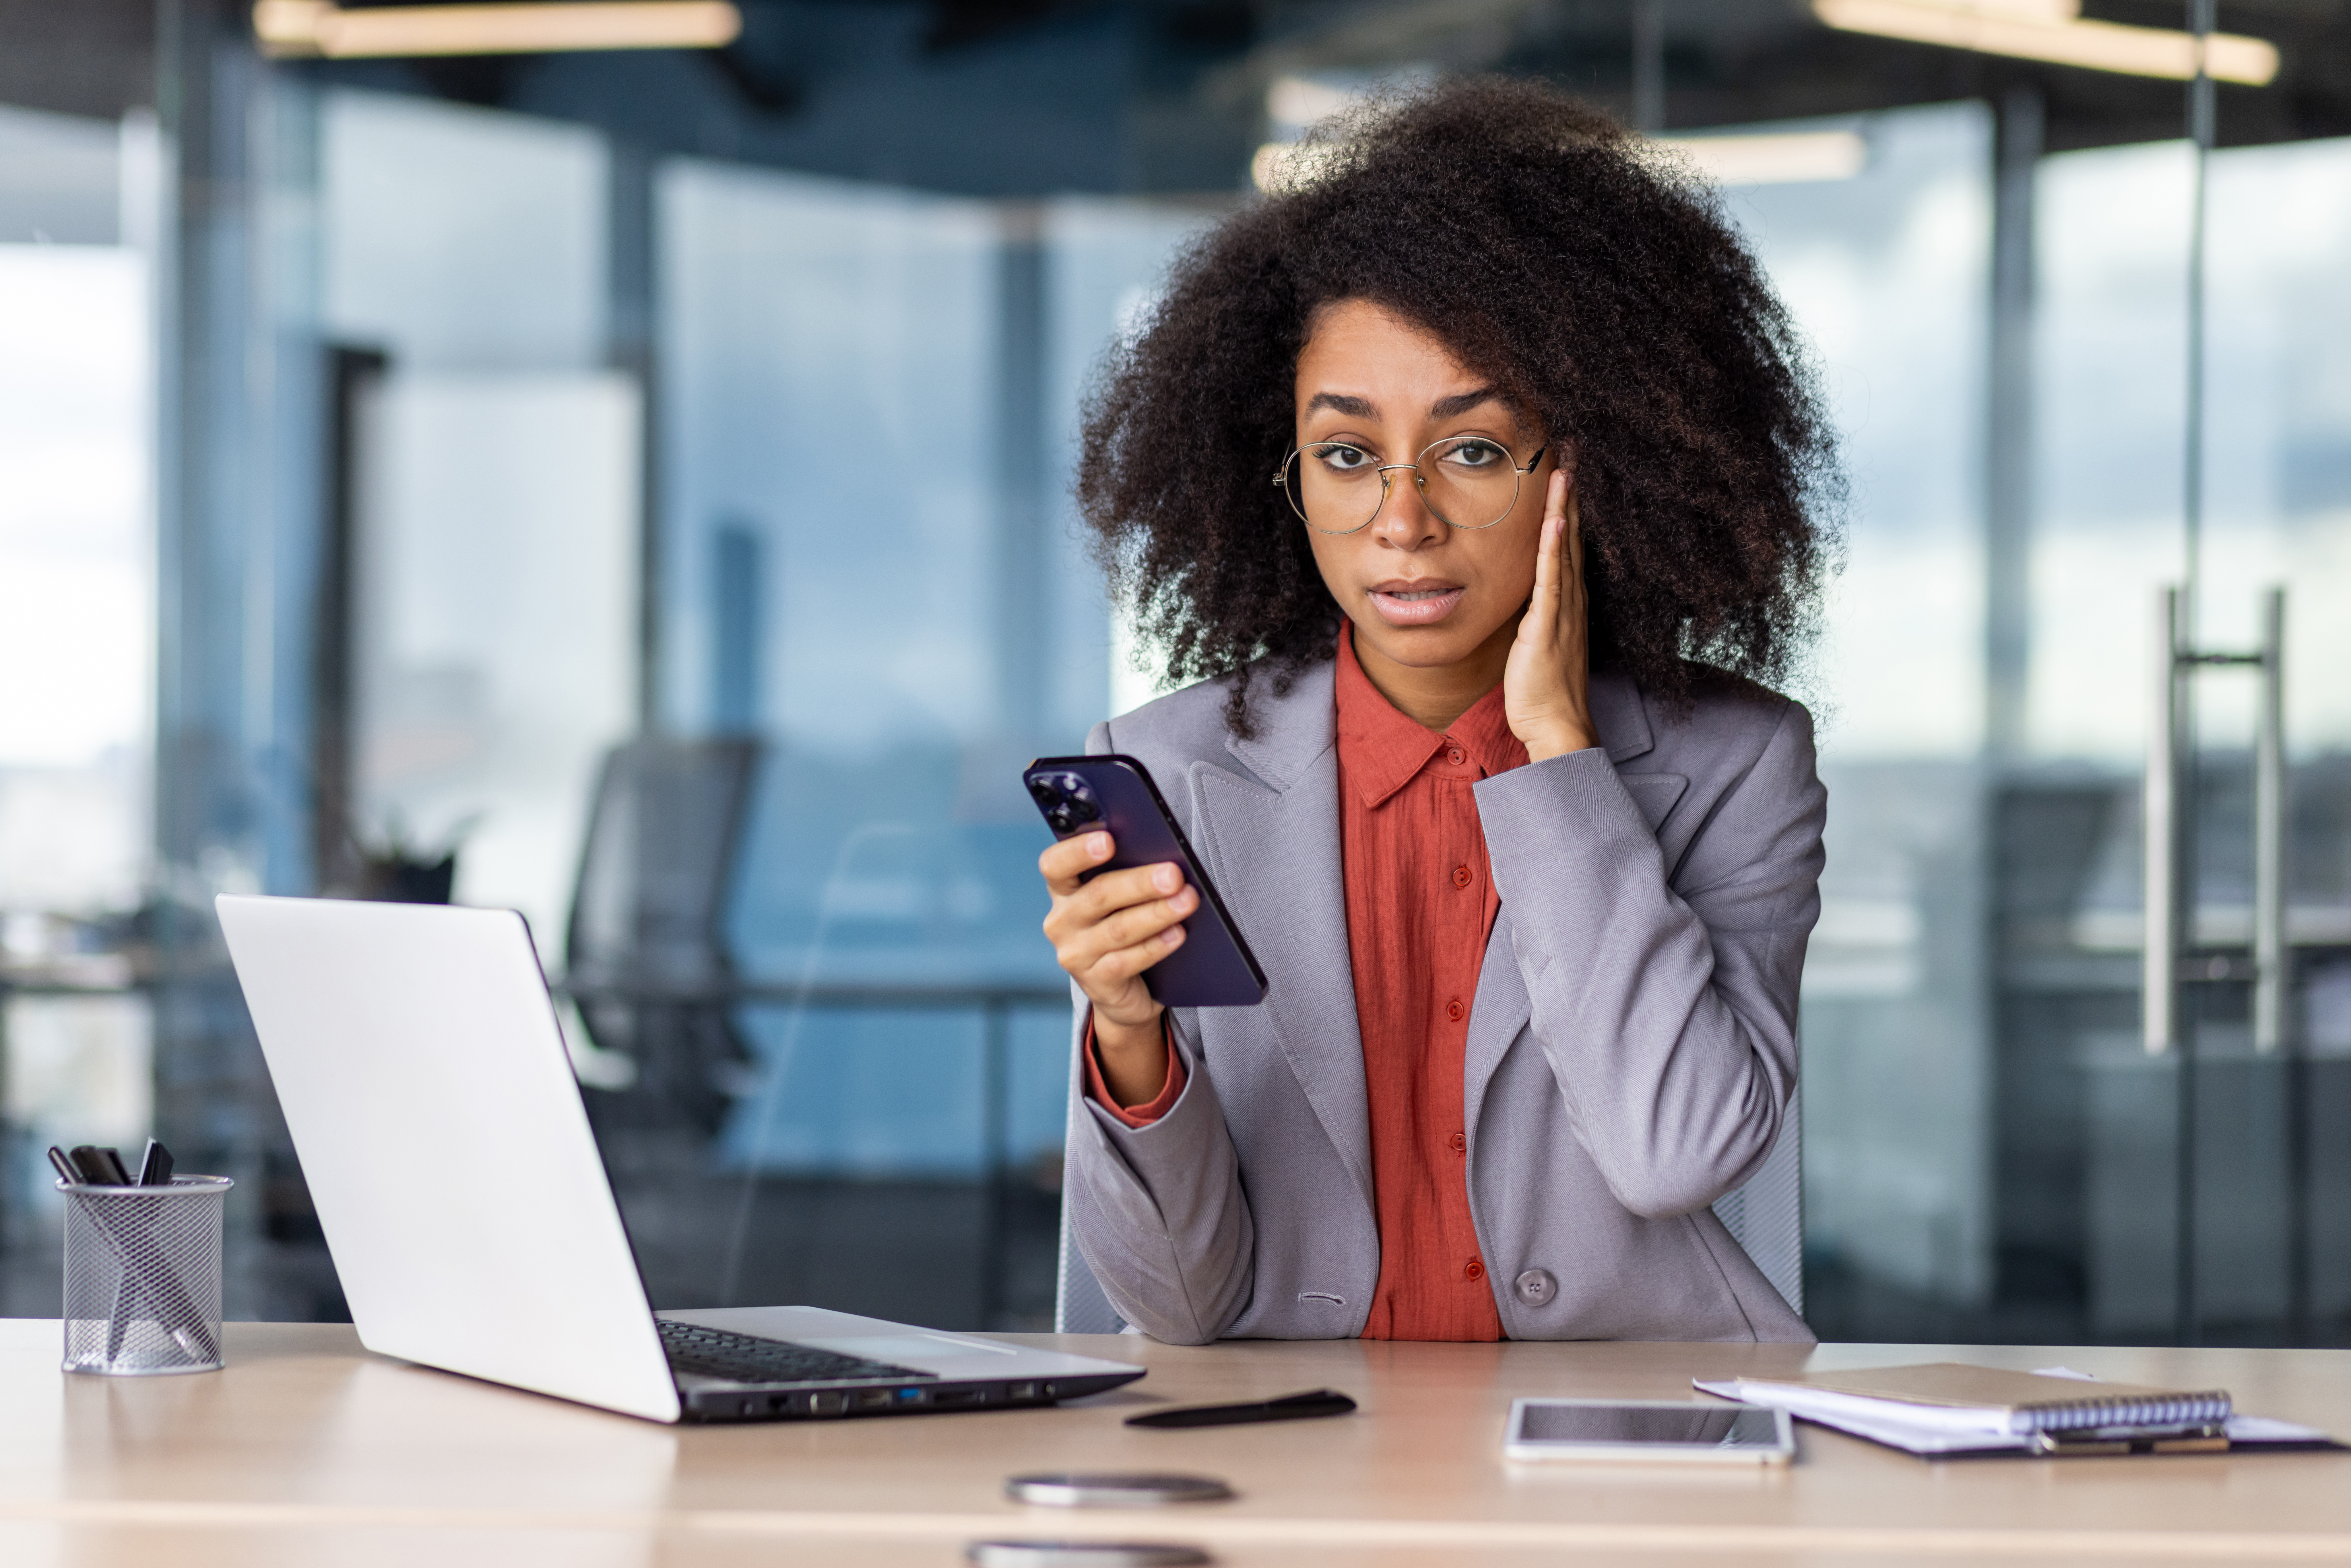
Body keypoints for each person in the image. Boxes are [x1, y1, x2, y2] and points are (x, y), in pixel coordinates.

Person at [1039, 78, 1836, 1344]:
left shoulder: (1736, 764)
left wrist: (1558, 756)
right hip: (1289, 1458)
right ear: (1282, 474)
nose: (1400, 522)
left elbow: (1674, 1152)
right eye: (1347, 455)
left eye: (1471, 450)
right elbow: (1179, 1309)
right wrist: (1129, 1035)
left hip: (1622, 1466)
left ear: (1593, 464)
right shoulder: (1164, 771)